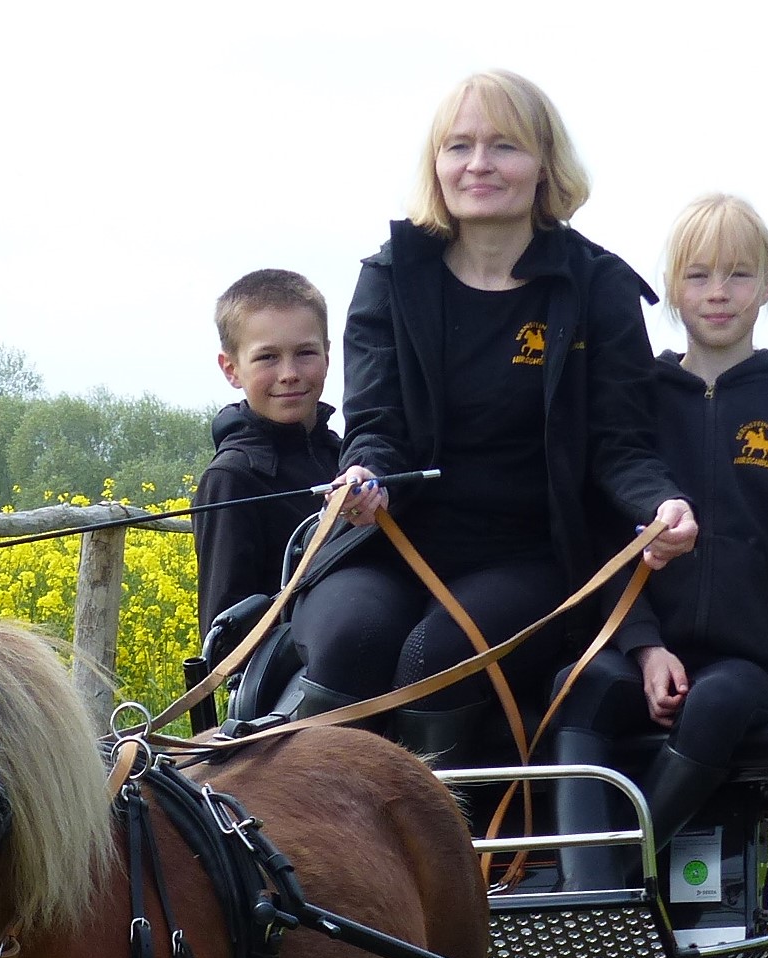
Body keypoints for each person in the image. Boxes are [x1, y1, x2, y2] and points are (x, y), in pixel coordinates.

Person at [276, 69, 698, 760]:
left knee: (431, 659)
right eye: (458, 146)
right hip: (391, 541)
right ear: (435, 164)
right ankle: (294, 846)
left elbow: (620, 445)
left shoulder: (599, 287)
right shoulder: (387, 276)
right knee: (349, 641)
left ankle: (435, 856)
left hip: (527, 555)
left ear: (542, 164)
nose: (477, 164)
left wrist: (662, 504)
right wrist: (365, 475)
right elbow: (374, 423)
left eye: (502, 146)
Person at [554, 194, 768, 869]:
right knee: (578, 683)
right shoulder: (635, 403)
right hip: (638, 649)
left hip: (744, 665)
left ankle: (631, 876)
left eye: (738, 275)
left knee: (715, 702)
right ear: (671, 286)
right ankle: (582, 891)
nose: (717, 294)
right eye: (698, 275)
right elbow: (601, 537)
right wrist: (645, 646)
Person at [194, 269, 342, 640]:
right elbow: (224, 629)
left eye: (305, 353)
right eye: (267, 358)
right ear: (231, 369)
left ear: (328, 355)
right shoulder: (232, 477)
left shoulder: (347, 459)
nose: (289, 373)